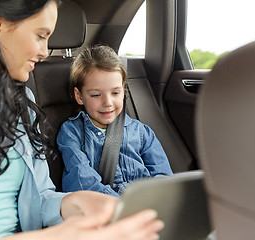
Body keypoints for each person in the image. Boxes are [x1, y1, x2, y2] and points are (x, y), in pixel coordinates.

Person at [0, 0, 164, 239]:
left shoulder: (21, 102)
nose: (45, 52)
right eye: (40, 35)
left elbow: (39, 196)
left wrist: (76, 203)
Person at [57, 45, 173, 197]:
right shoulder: (72, 132)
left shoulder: (142, 132)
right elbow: (81, 180)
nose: (108, 103)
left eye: (115, 92)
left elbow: (163, 177)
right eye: (96, 95)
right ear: (79, 96)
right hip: (103, 208)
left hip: (146, 205)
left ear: (124, 91)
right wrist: (120, 206)